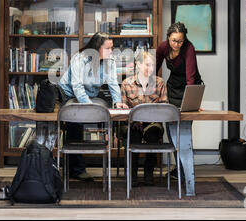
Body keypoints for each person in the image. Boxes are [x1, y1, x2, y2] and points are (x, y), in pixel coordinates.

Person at [58, 32, 128, 181]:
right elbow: (77, 86)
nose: (111, 51)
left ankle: (73, 167)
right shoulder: (80, 58)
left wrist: (118, 101)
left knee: (81, 123)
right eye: (108, 48)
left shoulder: (110, 61)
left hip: (89, 94)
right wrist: (88, 106)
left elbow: (113, 83)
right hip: (69, 92)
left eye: (112, 48)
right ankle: (76, 169)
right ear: (97, 48)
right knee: (75, 124)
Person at [156, 22, 203, 179]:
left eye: (180, 41)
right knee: (171, 130)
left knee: (184, 132)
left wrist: (192, 102)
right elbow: (153, 70)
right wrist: (150, 91)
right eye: (174, 40)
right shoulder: (163, 47)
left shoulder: (188, 49)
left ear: (184, 40)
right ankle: (179, 168)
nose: (177, 44)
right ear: (168, 38)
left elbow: (191, 78)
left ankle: (185, 170)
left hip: (189, 88)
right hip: (172, 88)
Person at [120, 51, 168, 187]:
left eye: (153, 65)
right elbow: (123, 109)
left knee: (153, 134)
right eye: (147, 65)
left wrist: (150, 119)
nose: (151, 68)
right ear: (138, 65)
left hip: (152, 122)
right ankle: (132, 176)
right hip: (132, 122)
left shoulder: (159, 83)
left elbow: (164, 106)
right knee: (133, 136)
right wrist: (134, 120)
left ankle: (149, 175)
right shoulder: (126, 83)